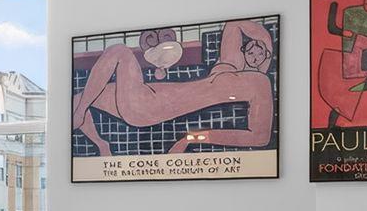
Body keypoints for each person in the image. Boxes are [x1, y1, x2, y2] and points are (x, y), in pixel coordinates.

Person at [71, 19, 276, 155]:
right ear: (245, 48)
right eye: (253, 48)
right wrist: (266, 42)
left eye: (260, 55)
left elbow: (259, 138)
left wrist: (192, 138)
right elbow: (234, 25)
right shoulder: (230, 65)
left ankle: (79, 114)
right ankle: (101, 145)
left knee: (119, 51)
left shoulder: (259, 83)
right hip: (146, 93)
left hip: (146, 107)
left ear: (267, 60)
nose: (255, 55)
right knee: (78, 99)